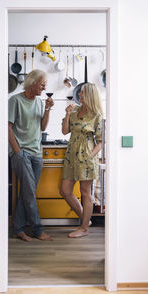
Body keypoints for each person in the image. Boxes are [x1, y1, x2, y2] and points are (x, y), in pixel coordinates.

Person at [8, 69, 54, 242]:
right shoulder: (15, 101)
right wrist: (17, 151)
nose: (44, 87)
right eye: (42, 84)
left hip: (37, 152)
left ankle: (18, 228)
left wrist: (48, 109)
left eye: (45, 85)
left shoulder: (40, 103)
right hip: (22, 152)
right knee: (29, 191)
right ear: (32, 82)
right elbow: (7, 128)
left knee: (28, 191)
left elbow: (42, 127)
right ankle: (37, 229)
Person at [60, 83, 103, 238]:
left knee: (85, 193)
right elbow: (65, 131)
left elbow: (100, 141)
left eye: (82, 93)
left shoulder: (96, 115)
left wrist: (91, 155)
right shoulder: (75, 111)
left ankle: (84, 228)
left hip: (86, 156)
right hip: (71, 154)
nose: (79, 95)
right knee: (65, 191)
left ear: (89, 95)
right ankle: (86, 220)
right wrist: (67, 114)